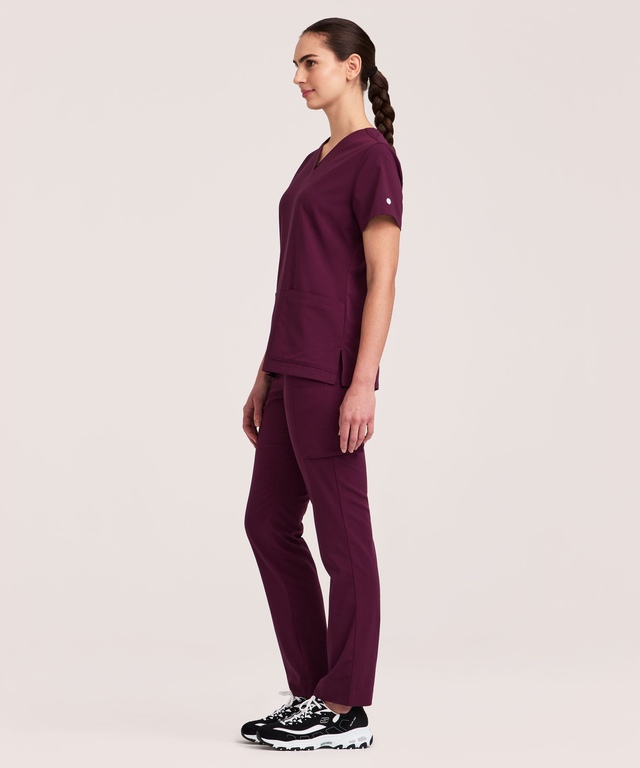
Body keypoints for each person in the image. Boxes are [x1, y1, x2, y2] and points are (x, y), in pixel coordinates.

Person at [240, 17, 403, 751]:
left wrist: (363, 383)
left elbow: (381, 280)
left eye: (310, 62)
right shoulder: (315, 161)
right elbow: (299, 277)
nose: (299, 76)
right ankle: (312, 691)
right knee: (267, 523)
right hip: (290, 367)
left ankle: (345, 706)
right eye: (296, 64)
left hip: (331, 373)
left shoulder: (373, 159)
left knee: (344, 540)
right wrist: (266, 369)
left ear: (351, 66)